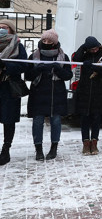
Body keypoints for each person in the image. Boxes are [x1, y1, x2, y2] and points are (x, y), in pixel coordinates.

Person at [25, 29, 73, 161]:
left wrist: (58, 69)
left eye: (49, 41)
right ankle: (38, 149)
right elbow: (27, 76)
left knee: (56, 121)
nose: (46, 42)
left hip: (56, 94)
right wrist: (37, 69)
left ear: (54, 42)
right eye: (44, 40)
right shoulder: (34, 56)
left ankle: (53, 148)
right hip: (38, 94)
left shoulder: (63, 56)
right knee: (38, 121)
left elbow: (69, 75)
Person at [72, 36, 102, 155]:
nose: (94, 51)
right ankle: (85, 143)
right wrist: (83, 47)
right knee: (84, 118)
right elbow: (76, 59)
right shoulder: (84, 54)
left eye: (95, 48)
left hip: (99, 90)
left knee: (96, 118)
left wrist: (94, 67)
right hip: (84, 90)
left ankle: (94, 143)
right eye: (91, 49)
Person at [0, 20, 30, 166]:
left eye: (4, 28)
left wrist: (6, 65)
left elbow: (24, 65)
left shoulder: (17, 46)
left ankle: (6, 150)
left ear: (11, 30)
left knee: (8, 120)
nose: (2, 30)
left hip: (9, 87)